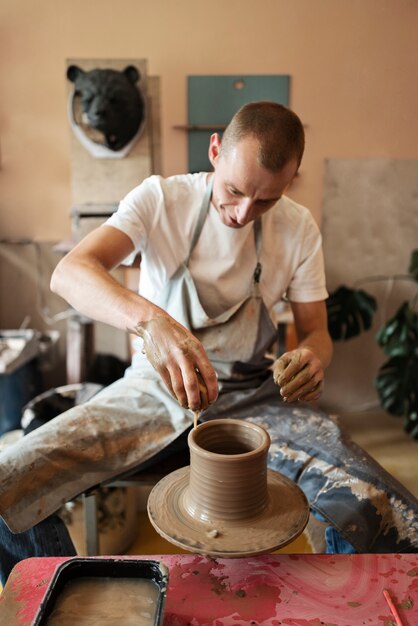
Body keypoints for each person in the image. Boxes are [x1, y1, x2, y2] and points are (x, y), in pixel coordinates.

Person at [0, 102, 416, 585]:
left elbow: (317, 333)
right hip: (153, 393)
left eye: (265, 201)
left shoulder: (299, 227)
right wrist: (151, 323)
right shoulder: (160, 199)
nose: (242, 213)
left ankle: (349, 608)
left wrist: (311, 358)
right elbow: (70, 272)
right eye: (235, 191)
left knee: (377, 505)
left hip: (257, 398)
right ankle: (65, 594)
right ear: (215, 151)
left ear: (291, 181)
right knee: (10, 483)